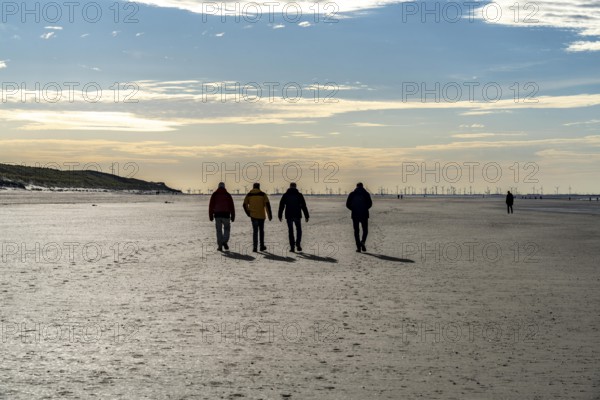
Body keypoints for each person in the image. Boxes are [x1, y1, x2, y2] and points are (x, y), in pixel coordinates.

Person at [278, 182, 309, 252]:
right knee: (299, 229)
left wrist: (280, 215)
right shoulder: (299, 195)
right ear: (295, 187)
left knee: (290, 231)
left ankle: (292, 247)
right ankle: (298, 244)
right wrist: (306, 216)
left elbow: (281, 206)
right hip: (297, 215)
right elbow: (304, 206)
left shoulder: (286, 195)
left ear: (290, 187)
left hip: (289, 215)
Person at [243, 183, 272, 252]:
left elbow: (244, 204)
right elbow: (267, 205)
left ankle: (255, 247)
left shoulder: (249, 194)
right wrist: (269, 215)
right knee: (261, 231)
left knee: (255, 231)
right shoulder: (263, 194)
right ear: (259, 187)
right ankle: (261, 246)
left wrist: (248, 213)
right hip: (261, 216)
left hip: (253, 216)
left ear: (253, 187)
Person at [208, 182, 235, 251]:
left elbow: (211, 206)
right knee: (227, 229)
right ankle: (224, 242)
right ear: (224, 187)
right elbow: (231, 206)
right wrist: (233, 215)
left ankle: (220, 246)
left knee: (219, 231)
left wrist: (211, 215)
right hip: (226, 215)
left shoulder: (214, 194)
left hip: (217, 215)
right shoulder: (228, 195)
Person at [346, 182, 372, 252]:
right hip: (364, 214)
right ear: (362, 186)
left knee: (356, 231)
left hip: (355, 215)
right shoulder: (366, 194)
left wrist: (353, 209)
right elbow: (370, 204)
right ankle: (363, 242)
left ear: (356, 186)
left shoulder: (352, 194)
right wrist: (365, 209)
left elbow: (347, 204)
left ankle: (358, 247)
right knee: (365, 230)